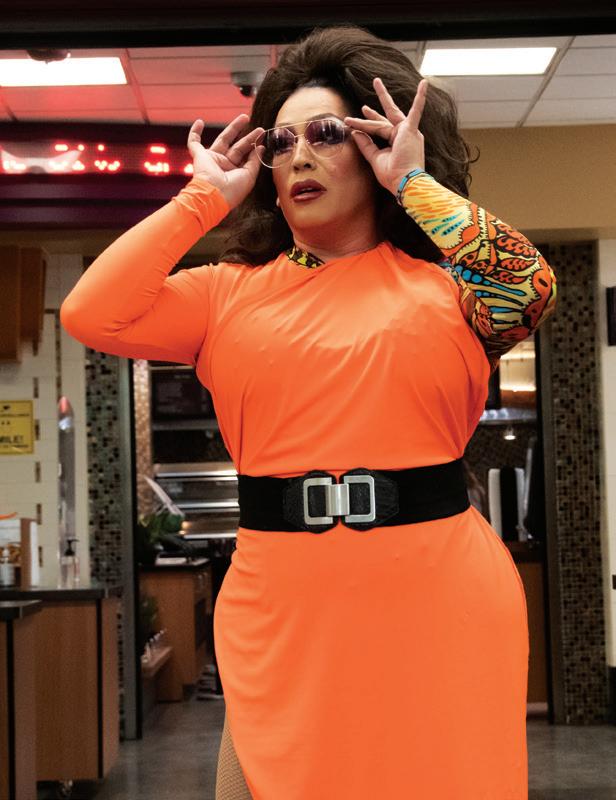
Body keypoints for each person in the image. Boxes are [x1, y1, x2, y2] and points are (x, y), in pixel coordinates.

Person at [61, 24, 557, 800]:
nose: (299, 155)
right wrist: (202, 199)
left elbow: (529, 285)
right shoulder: (226, 293)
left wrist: (413, 183)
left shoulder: (449, 289)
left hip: (439, 596)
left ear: (372, 144)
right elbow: (92, 313)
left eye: (326, 133)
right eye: (281, 140)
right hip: (283, 600)